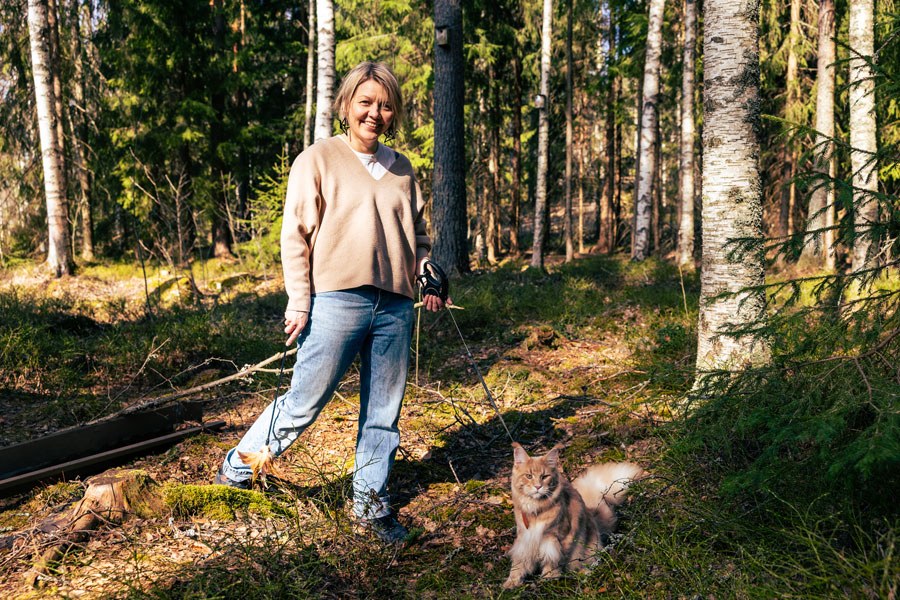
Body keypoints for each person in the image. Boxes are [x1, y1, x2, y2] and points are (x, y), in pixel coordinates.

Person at [215, 61, 450, 543]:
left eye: (385, 105)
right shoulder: (318, 159)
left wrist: (428, 271)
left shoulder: (403, 169)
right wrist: (299, 302)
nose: (375, 113)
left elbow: (418, 238)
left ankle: (370, 506)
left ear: (394, 113)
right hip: (337, 301)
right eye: (365, 102)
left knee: (383, 412)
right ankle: (236, 471)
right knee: (304, 400)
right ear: (346, 106)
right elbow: (295, 236)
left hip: (396, 307)